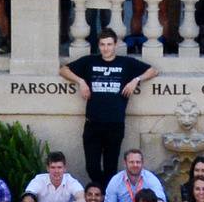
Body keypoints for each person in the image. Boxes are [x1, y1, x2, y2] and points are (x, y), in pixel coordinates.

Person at [61, 34, 156, 184]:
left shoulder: (125, 63)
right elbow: (64, 70)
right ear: (98, 45)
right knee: (92, 167)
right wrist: (81, 81)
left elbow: (153, 70)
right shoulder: (90, 61)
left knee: (110, 168)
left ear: (115, 45)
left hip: (115, 124)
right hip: (93, 124)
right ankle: (102, 192)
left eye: (109, 44)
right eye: (103, 44)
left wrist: (135, 80)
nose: (106, 48)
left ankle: (104, 199)